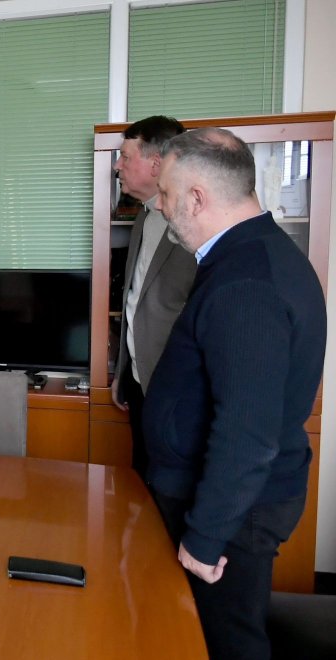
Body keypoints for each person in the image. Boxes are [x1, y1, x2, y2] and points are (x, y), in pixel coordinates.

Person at [144, 128, 326, 659]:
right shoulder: (252, 253)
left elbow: (247, 432)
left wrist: (205, 537)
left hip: (232, 512)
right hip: (231, 500)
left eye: (166, 193)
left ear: (197, 197)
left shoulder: (246, 281)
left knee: (225, 643)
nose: (160, 205)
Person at [110, 115, 195, 480]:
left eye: (126, 157)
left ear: (156, 163)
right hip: (138, 382)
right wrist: (123, 373)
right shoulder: (144, 217)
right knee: (142, 481)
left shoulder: (192, 223)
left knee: (169, 488)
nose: (117, 166)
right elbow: (134, 298)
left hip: (177, 390)